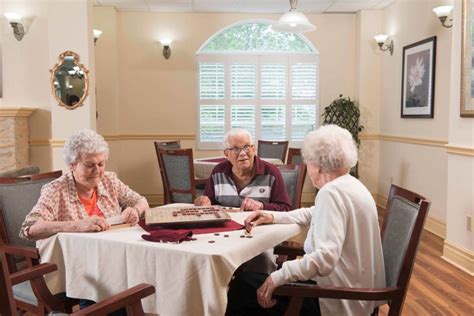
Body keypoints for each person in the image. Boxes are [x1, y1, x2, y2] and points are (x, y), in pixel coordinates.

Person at [226, 125, 385, 316]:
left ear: (318, 164)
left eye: (308, 162)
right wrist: (272, 215)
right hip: (357, 295)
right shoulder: (351, 185)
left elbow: (324, 259)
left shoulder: (331, 193)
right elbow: (314, 213)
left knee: (241, 288)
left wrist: (278, 276)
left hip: (336, 302)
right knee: (249, 282)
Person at [20, 128, 149, 244]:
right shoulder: (56, 190)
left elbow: (141, 201)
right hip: (75, 259)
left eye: (101, 164)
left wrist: (135, 211)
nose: (97, 171)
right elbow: (30, 228)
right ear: (72, 165)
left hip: (111, 249)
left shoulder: (109, 180)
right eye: (89, 165)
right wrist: (78, 226)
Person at [195, 128, 292, 212]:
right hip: (226, 228)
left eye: (246, 147)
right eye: (236, 149)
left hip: (259, 228)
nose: (242, 153)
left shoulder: (271, 172)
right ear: (226, 154)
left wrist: (261, 206)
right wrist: (204, 202)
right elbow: (209, 202)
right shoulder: (218, 172)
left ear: (254, 149)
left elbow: (286, 208)